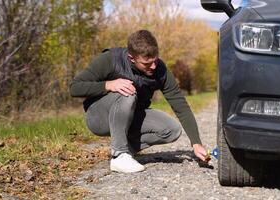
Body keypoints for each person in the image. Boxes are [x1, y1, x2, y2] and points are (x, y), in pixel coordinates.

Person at [70, 30, 209, 173]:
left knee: (172, 130)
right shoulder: (110, 59)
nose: (153, 66)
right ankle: (119, 155)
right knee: (127, 90)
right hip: (99, 118)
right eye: (147, 63)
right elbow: (74, 88)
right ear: (131, 58)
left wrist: (196, 142)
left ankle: (126, 150)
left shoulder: (160, 70)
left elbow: (180, 105)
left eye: (155, 60)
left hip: (130, 116)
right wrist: (108, 85)